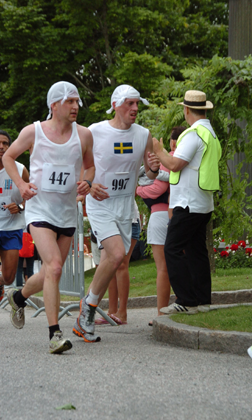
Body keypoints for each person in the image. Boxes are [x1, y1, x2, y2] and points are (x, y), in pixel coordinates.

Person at [2, 81, 95, 354]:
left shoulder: (85, 135)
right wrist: (20, 185)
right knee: (54, 267)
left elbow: (89, 167)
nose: (76, 106)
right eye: (70, 101)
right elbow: (9, 157)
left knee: (49, 272)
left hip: (66, 213)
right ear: (54, 105)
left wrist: (87, 183)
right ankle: (55, 335)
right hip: (40, 210)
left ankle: (18, 296)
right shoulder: (34, 131)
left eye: (77, 101)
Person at [72, 84, 160, 342]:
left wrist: (153, 168)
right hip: (100, 203)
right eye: (130, 104)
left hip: (125, 206)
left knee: (115, 260)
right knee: (116, 253)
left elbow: (148, 175)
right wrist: (89, 184)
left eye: (137, 104)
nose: (135, 109)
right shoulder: (94, 131)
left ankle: (87, 307)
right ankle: (88, 310)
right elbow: (79, 165)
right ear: (115, 105)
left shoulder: (143, 134)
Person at [153, 90, 222, 315]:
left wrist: (158, 150)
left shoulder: (193, 134)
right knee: (196, 251)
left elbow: (174, 164)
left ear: (186, 110)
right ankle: (202, 301)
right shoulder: (210, 133)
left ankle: (186, 299)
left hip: (188, 203)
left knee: (172, 248)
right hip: (203, 202)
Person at [136, 126, 186, 324]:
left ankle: (160, 314)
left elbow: (158, 188)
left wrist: (138, 190)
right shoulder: (186, 159)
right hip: (181, 214)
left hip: (160, 213)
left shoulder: (168, 157)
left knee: (162, 268)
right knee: (181, 262)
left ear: (172, 142)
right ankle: (183, 303)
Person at [0, 130, 28, 329]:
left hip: (12, 227)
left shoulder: (20, 169)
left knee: (9, 277)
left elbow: (32, 195)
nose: (2, 147)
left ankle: (1, 283)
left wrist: (20, 207)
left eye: (6, 143)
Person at [96, 201, 141, 325]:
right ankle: (111, 311)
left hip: (128, 219)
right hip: (108, 221)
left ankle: (122, 312)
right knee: (111, 265)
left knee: (121, 264)